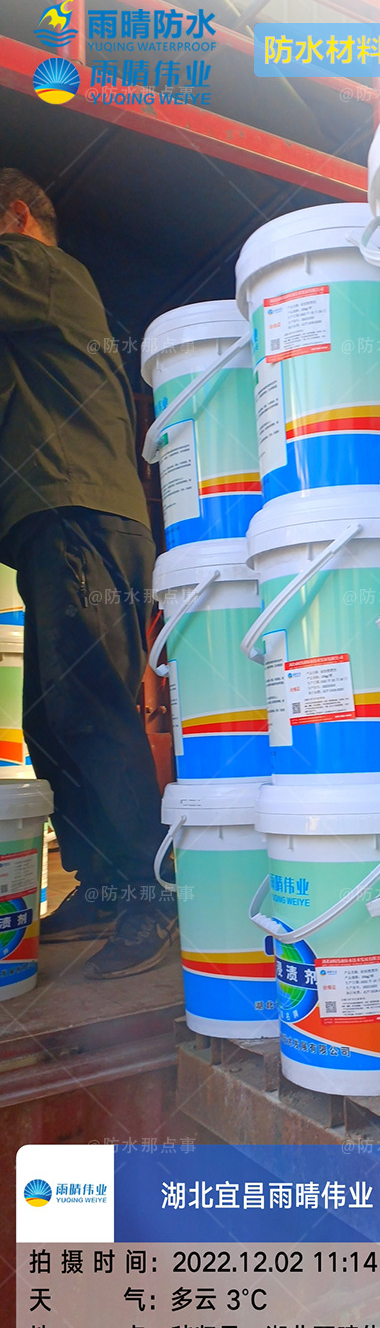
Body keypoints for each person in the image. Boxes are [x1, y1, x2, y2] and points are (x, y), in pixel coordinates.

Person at [0, 168, 175, 979]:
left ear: (16, 217)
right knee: (51, 716)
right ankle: (103, 886)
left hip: (79, 514)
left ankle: (149, 893)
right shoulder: (42, 311)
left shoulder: (35, 268)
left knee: (92, 709)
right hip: (66, 518)